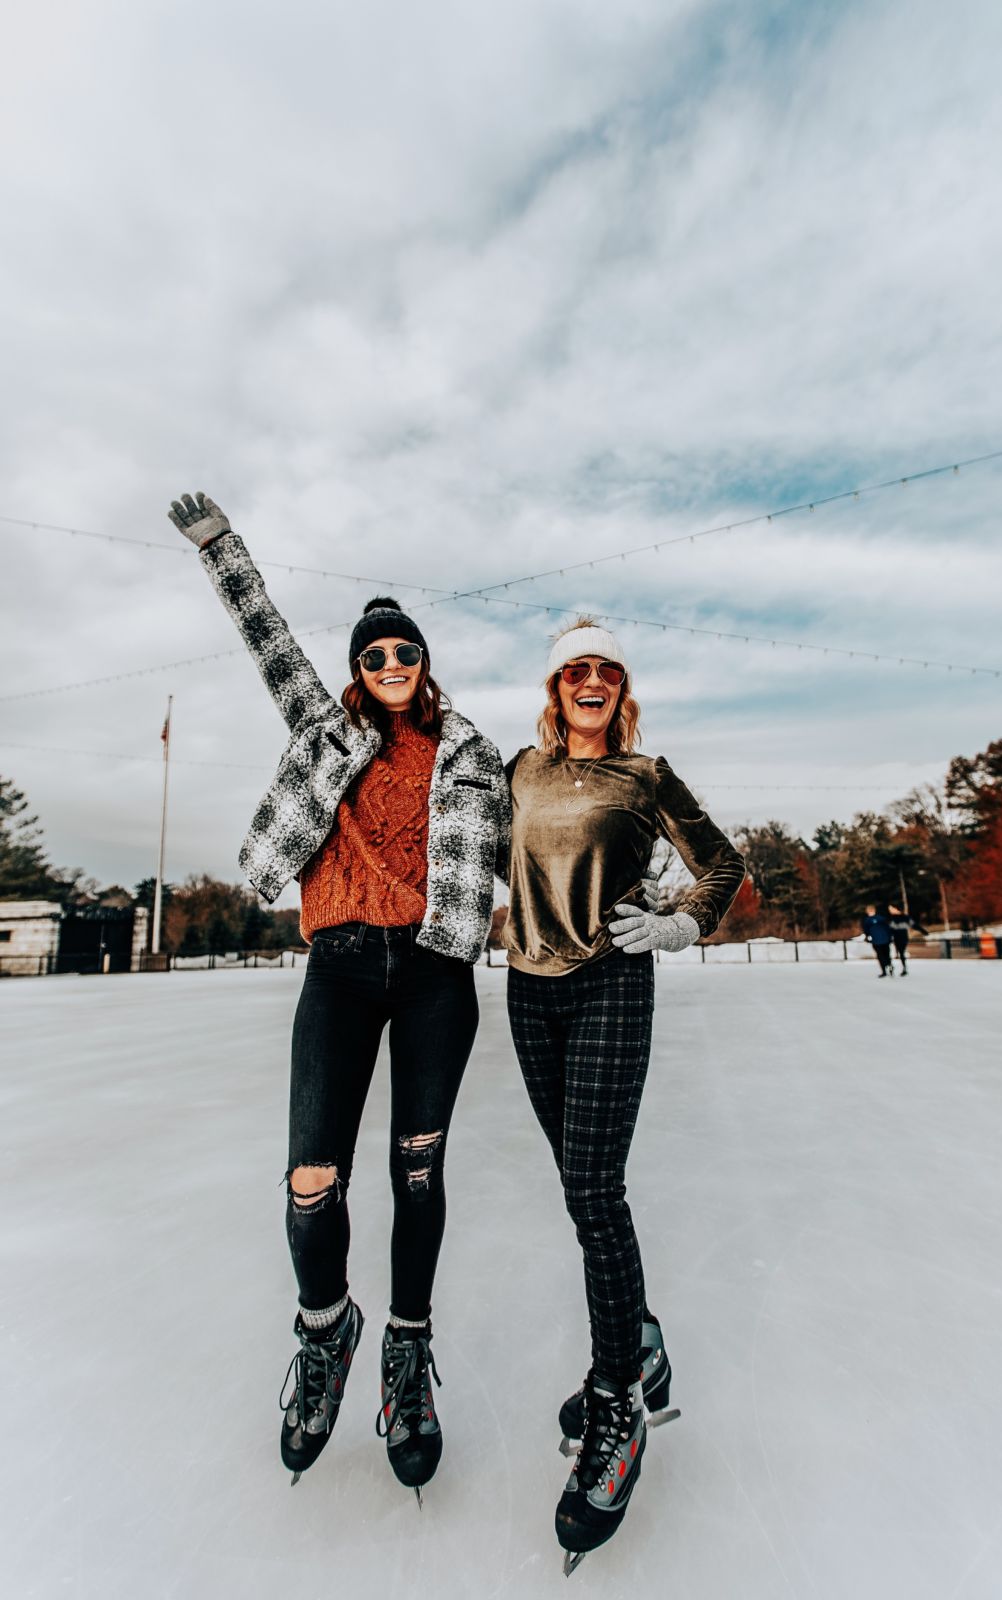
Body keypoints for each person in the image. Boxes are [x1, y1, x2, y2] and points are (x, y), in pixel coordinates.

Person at [166, 492, 510, 1500]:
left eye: (404, 655)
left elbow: (549, 838)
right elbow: (265, 635)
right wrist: (222, 549)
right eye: (374, 658)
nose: (391, 670)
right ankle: (327, 1329)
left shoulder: (473, 754)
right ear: (359, 669)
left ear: (423, 662)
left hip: (437, 972)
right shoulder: (325, 727)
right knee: (310, 1178)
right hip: (343, 965)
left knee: (415, 1173)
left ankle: (406, 1350)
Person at [501, 618, 745, 1571]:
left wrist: (681, 923)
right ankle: (638, 1338)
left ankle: (618, 1402)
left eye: (607, 669)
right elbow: (480, 854)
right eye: (576, 669)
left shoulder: (645, 777)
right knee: (576, 1188)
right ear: (556, 688)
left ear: (620, 689)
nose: (592, 680)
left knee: (596, 1192)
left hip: (611, 978)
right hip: (528, 988)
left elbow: (721, 862)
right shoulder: (519, 770)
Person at [887, 905, 927, 975]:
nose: (890, 910)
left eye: (891, 909)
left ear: (896, 909)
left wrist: (923, 931)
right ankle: (891, 966)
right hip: (894, 938)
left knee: (901, 953)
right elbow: (888, 929)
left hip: (902, 937)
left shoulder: (905, 917)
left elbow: (914, 925)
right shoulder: (890, 918)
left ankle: (904, 968)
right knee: (893, 952)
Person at [861, 904, 894, 976]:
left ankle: (884, 971)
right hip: (885, 939)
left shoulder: (867, 920)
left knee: (880, 955)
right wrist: (890, 937)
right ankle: (889, 964)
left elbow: (867, 931)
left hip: (876, 941)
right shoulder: (882, 918)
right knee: (886, 954)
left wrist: (867, 937)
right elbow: (888, 929)